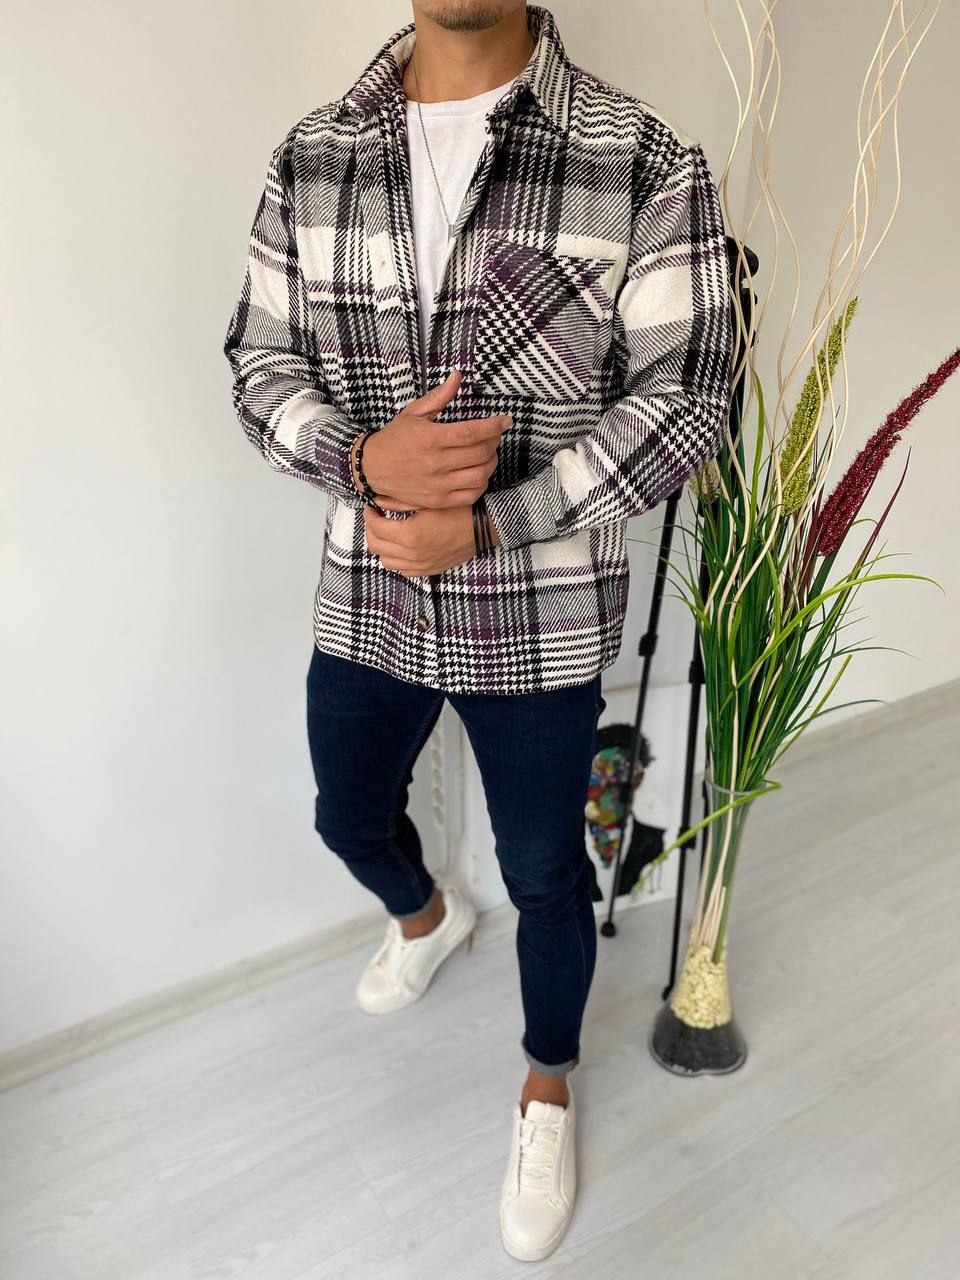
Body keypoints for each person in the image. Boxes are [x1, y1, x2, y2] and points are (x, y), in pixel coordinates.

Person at [223, 1, 733, 1261]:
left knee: (548, 873)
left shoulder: (640, 158)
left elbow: (690, 395)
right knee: (347, 814)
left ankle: (548, 1083)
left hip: (540, 615)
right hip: (370, 590)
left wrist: (499, 519)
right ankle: (424, 916)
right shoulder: (315, 155)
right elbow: (258, 361)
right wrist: (362, 458)